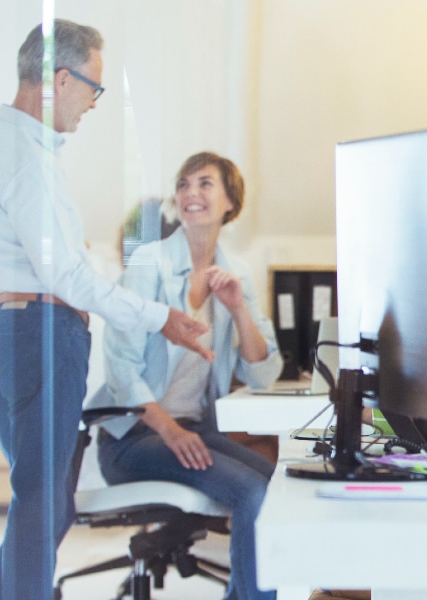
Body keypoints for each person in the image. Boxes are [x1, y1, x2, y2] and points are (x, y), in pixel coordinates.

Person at [0, 20, 212, 599]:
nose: (96, 102)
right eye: (95, 87)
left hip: (9, 330)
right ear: (60, 78)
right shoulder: (24, 156)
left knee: (44, 507)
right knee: (43, 508)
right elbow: (66, 277)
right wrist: (160, 317)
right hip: (39, 333)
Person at [85, 152, 281, 600]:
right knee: (251, 492)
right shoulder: (147, 263)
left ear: (231, 201)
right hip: (132, 437)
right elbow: (120, 369)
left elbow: (263, 370)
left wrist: (238, 308)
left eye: (206, 183)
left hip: (190, 431)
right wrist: (170, 431)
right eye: (185, 183)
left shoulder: (237, 273)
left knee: (276, 484)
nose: (192, 193)